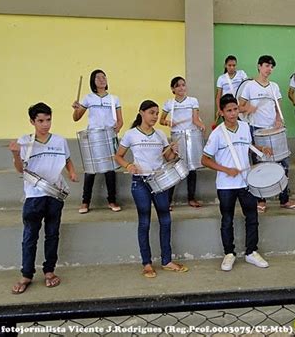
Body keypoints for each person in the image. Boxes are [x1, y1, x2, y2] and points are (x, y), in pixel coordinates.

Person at [9, 102, 78, 294]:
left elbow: (67, 160)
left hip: (55, 193)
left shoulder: (59, 141)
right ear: (32, 121)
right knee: (30, 236)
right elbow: (20, 170)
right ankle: (26, 274)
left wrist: (72, 172)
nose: (45, 124)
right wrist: (16, 154)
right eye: (40, 121)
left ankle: (49, 271)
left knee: (52, 234)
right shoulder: (25, 141)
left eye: (48, 120)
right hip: (34, 195)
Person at [115, 100, 189, 278]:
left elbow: (168, 158)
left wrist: (174, 150)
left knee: (166, 220)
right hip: (139, 182)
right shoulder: (131, 134)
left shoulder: (161, 135)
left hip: (159, 181)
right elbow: (118, 156)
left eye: (157, 113)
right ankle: (146, 263)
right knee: (145, 222)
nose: (155, 116)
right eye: (151, 113)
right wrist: (129, 165)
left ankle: (166, 261)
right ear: (141, 113)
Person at [201, 94, 272, 271]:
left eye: (235, 109)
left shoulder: (245, 127)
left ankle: (251, 252)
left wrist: (262, 149)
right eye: (229, 111)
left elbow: (250, 147)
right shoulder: (217, 133)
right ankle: (229, 254)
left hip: (246, 182)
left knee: (252, 217)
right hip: (226, 185)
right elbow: (205, 159)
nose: (233, 113)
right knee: (227, 219)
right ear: (222, 112)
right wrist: (226, 170)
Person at [238, 55, 295, 213]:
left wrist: (279, 120)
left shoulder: (274, 86)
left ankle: (284, 198)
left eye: (271, 67)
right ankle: (261, 200)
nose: (269, 69)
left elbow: (278, 107)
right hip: (255, 129)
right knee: (259, 165)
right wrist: (247, 108)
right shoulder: (249, 86)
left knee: (283, 163)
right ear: (259, 66)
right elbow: (239, 107)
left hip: (273, 131)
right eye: (266, 66)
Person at [72, 69, 123, 214]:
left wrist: (117, 128)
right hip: (93, 136)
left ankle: (112, 200)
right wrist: (76, 109)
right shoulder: (88, 98)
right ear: (93, 82)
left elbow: (120, 121)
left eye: (104, 77)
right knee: (90, 170)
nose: (102, 79)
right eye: (98, 77)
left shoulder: (114, 99)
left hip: (108, 135)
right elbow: (76, 118)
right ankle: (85, 202)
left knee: (110, 169)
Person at [160, 76, 205, 210]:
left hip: (191, 135)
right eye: (178, 85)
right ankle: (167, 201)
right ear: (173, 89)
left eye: (183, 85)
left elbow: (195, 119)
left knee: (192, 169)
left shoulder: (193, 101)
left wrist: (201, 125)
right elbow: (161, 120)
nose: (181, 88)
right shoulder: (169, 104)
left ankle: (191, 198)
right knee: (175, 167)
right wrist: (168, 122)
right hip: (177, 137)